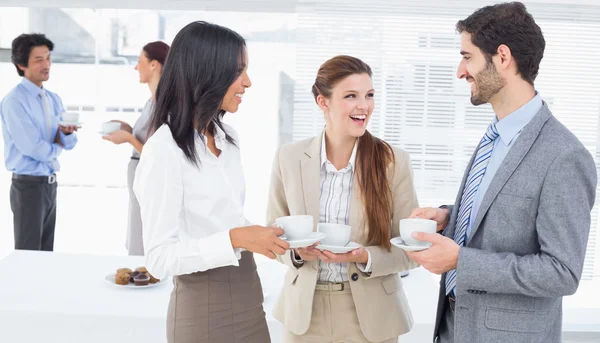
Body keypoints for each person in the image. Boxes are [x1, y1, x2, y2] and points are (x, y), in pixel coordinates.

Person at [404, 3, 597, 343]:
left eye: (468, 56)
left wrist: (462, 260)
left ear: (502, 57)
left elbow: (561, 272)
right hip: (453, 326)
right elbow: (500, 210)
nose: (460, 71)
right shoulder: (495, 135)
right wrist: (449, 216)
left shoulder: (564, 155)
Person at [133, 21, 289, 343]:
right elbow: (160, 258)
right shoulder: (163, 150)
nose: (248, 82)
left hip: (248, 290)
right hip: (202, 304)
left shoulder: (228, 138)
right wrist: (236, 238)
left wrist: (267, 237)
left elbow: (226, 219)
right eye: (239, 72)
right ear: (207, 73)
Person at [267, 55, 419, 343]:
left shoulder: (393, 161)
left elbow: (412, 250)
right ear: (323, 102)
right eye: (351, 96)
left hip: (373, 316)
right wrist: (297, 254)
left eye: (369, 95)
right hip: (304, 315)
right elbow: (272, 237)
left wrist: (365, 257)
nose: (364, 106)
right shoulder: (289, 158)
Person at [0, 33, 79, 251]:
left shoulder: (53, 98)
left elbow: (70, 143)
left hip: (49, 184)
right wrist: (57, 144)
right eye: (39, 60)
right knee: (28, 253)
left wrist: (66, 134)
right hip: (27, 186)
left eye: (48, 58)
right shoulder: (14, 102)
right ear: (21, 65)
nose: (47, 65)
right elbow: (33, 148)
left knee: (46, 252)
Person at [102, 41, 170, 256]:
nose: (135, 67)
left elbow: (159, 155)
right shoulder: (151, 101)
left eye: (140, 61)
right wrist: (128, 129)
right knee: (136, 226)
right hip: (139, 173)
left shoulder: (166, 105)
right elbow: (149, 139)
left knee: (143, 231)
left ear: (154, 65)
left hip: (149, 175)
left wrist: (130, 139)